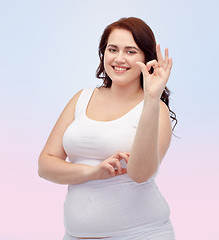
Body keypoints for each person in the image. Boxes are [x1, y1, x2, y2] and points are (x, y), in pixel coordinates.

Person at [38, 17, 177, 240]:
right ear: (104, 53)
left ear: (146, 58)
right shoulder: (81, 99)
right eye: (113, 49)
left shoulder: (155, 108)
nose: (119, 58)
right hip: (74, 235)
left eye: (131, 51)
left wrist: (151, 98)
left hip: (142, 234)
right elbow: (45, 165)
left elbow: (141, 174)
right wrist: (93, 172)